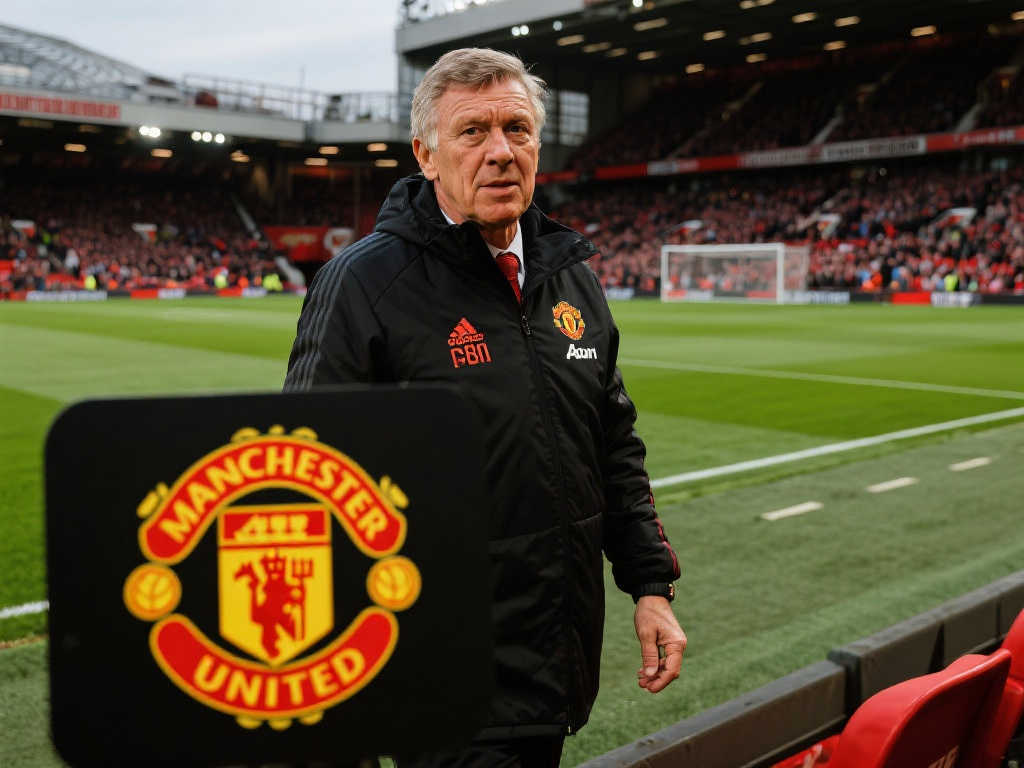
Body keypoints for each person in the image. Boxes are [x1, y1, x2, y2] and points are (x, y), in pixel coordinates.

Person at [284, 47, 685, 767]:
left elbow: (613, 444)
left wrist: (650, 587)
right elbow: (306, 479)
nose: (501, 151)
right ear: (426, 155)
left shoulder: (571, 278)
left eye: (517, 129)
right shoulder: (363, 285)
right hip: (437, 676)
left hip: (554, 663)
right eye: (473, 132)